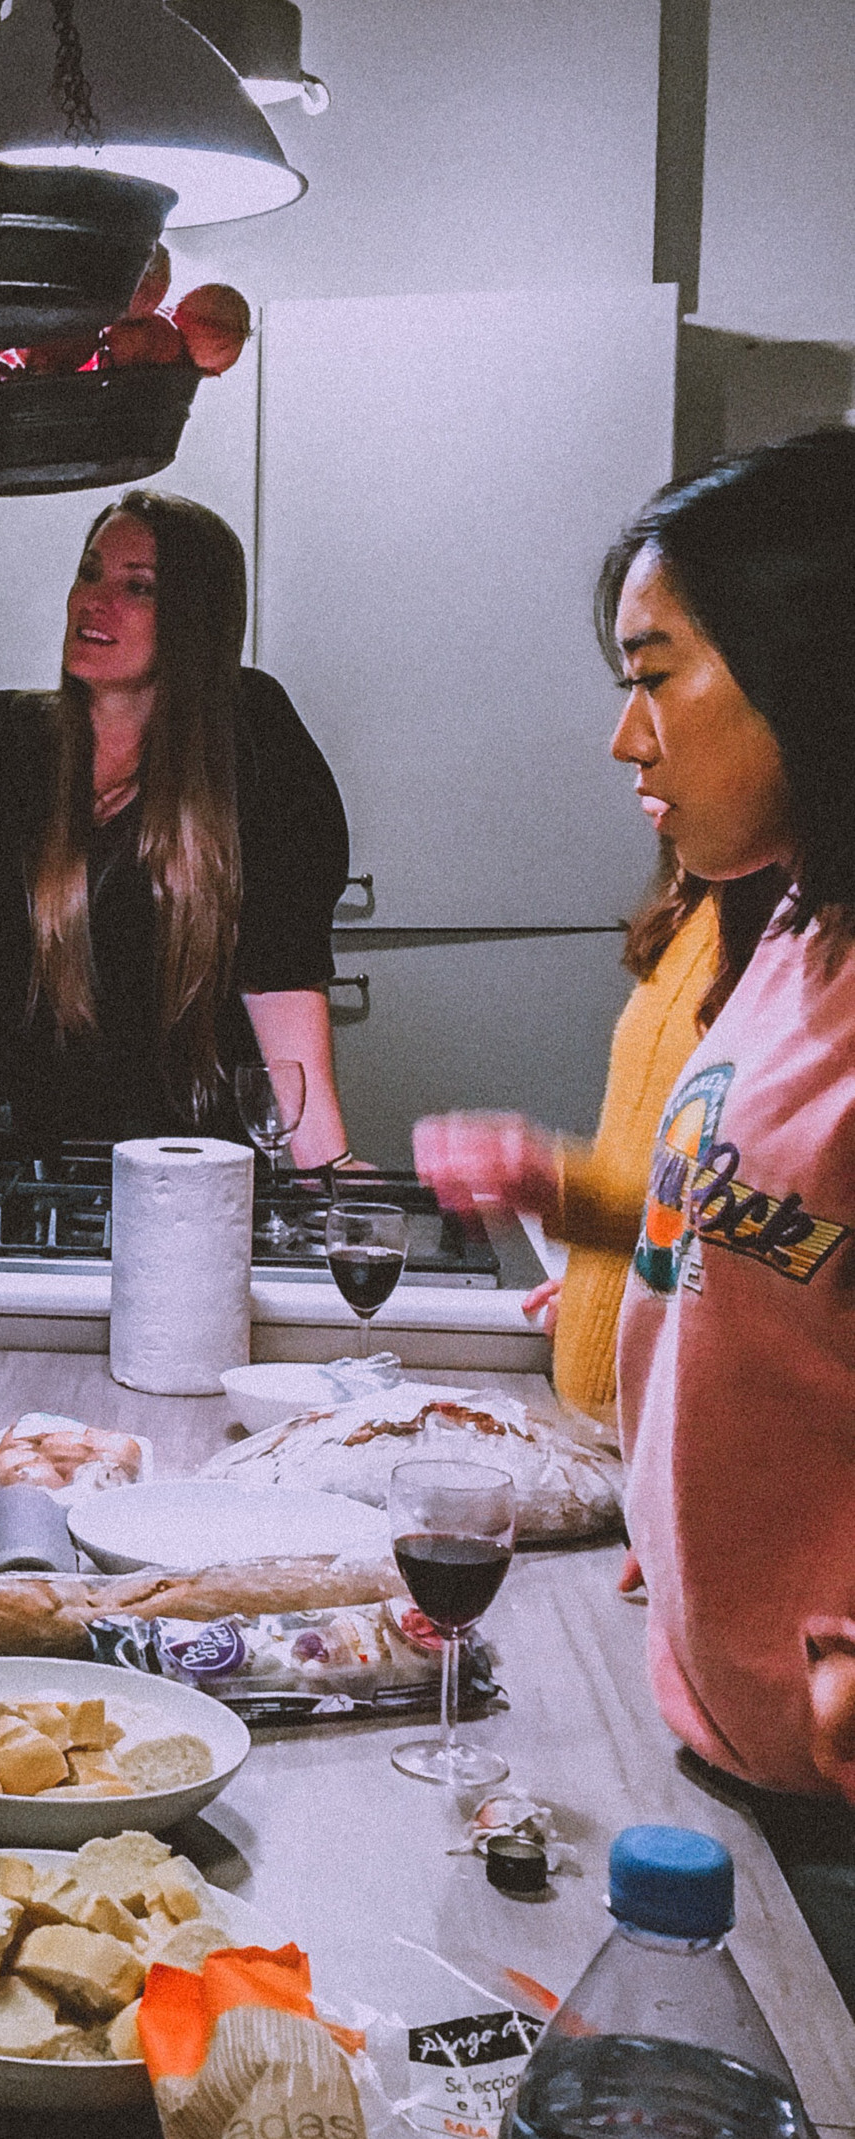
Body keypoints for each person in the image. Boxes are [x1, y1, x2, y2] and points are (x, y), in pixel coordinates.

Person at [598, 429, 855, 1998]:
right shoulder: (799, 929)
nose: (625, 738)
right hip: (724, 1758)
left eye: (659, 672)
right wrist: (682, 1520)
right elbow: (761, 1244)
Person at [0, 491, 357, 1165]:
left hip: (192, 1167)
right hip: (12, 1162)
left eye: (138, 588)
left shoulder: (253, 739)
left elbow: (280, 977)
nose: (95, 601)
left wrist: (326, 1169)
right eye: (89, 573)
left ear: (194, 620)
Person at [414, 851, 784, 1428]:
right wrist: (609, 1283)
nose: (629, 754)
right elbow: (672, 1167)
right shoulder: (701, 900)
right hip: (606, 1424)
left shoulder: (809, 938)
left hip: (686, 1437)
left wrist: (556, 1184)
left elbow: (774, 1224)